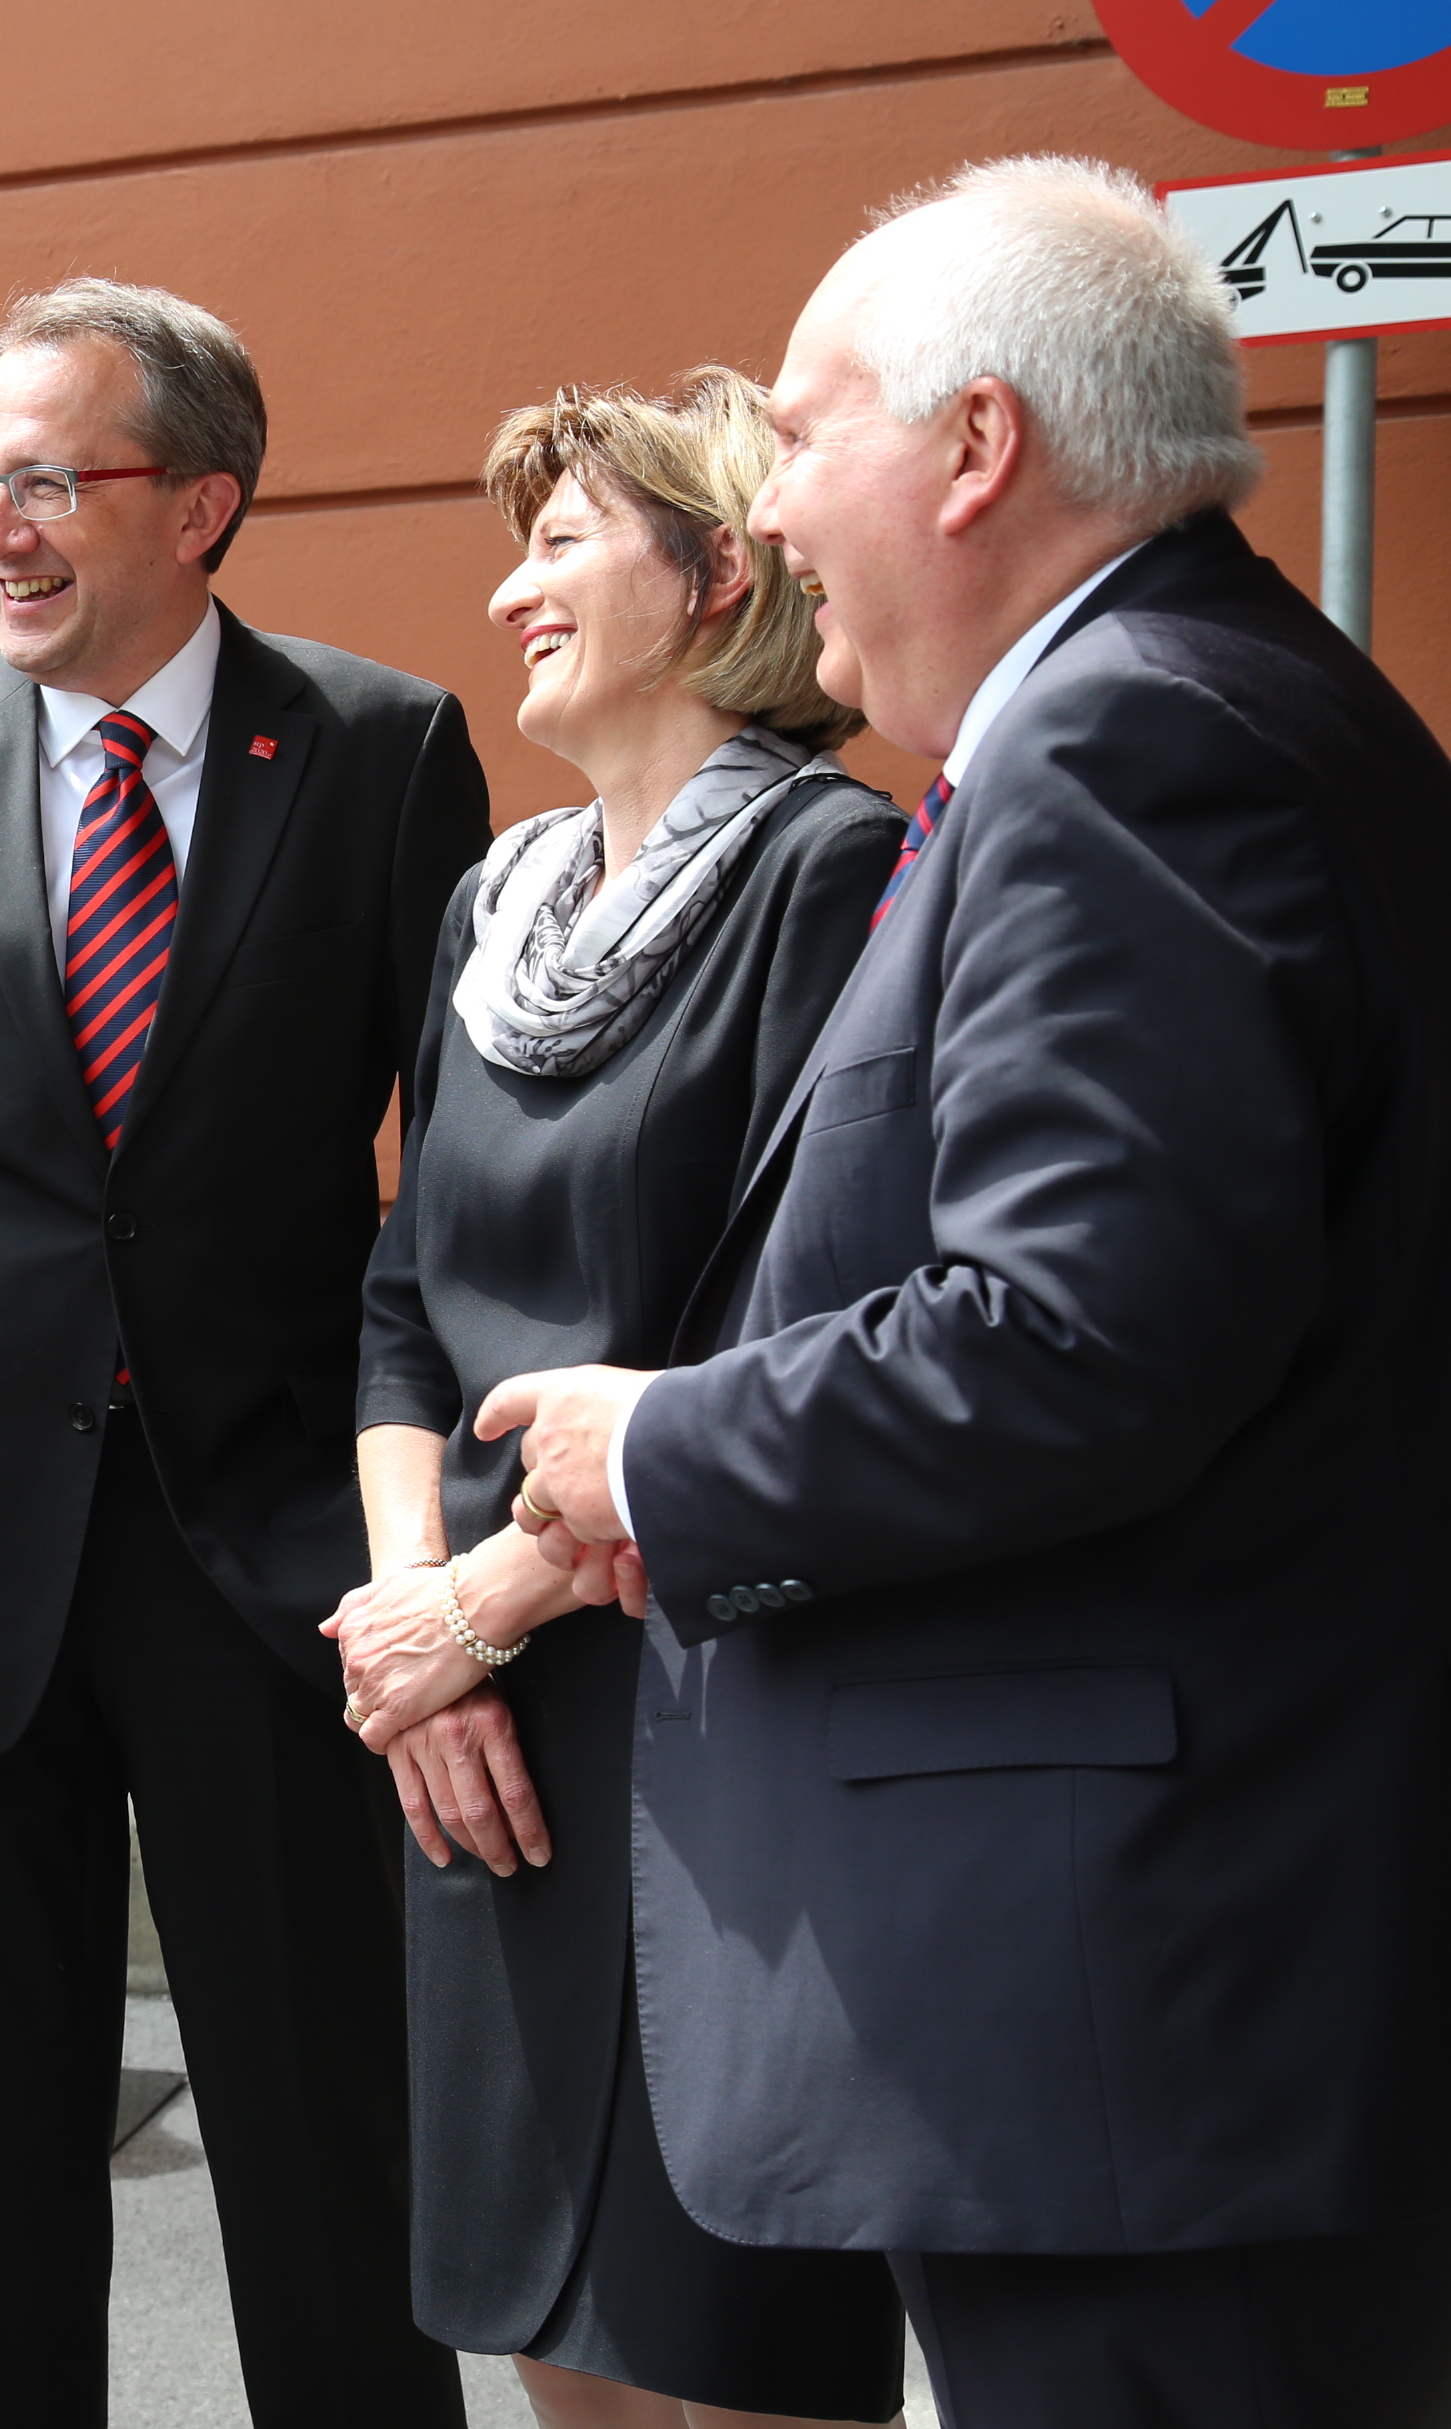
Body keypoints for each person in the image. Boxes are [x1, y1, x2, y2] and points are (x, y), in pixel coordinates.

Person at [491, 157, 1451, 2428]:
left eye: (806, 430)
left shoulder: (1135, 740)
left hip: (1141, 2010)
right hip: (1174, 1999)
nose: (778, 504)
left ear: (979, 445)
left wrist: (667, 1439)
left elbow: (1086, 1332)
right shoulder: (1210, 701)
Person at [0, 279, 488, 2427]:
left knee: (327, 2136)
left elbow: (452, 1199)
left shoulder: (381, 748)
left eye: (48, 478)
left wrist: (430, 1544)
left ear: (207, 502)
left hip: (273, 1560)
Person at [330, 372, 905, 2429]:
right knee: (546, 2321)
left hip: (701, 1717)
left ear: (719, 572)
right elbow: (403, 1296)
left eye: (562, 539)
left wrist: (489, 1607)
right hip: (474, 1726)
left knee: (732, 2342)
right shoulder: (497, 902)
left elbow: (786, 1329)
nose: (510, 593)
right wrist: (419, 1634)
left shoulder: (836, 879)